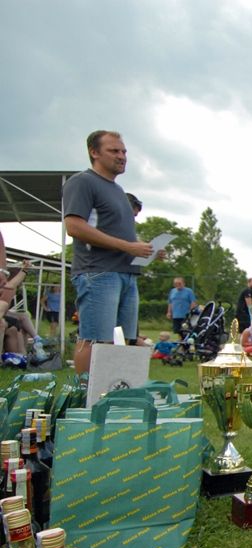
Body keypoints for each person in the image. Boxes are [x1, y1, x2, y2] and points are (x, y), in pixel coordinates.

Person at [64, 130, 157, 374]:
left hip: (127, 273)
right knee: (96, 340)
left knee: (125, 341)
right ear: (94, 153)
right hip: (98, 272)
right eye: (114, 151)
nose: (122, 156)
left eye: (124, 151)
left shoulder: (117, 190)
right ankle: (84, 396)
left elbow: (117, 233)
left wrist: (145, 248)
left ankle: (117, 394)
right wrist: (128, 246)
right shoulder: (82, 182)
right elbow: (74, 226)